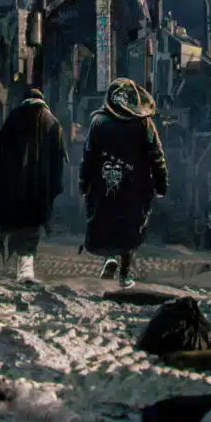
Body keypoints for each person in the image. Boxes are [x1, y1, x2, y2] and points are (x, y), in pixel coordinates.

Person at [0, 87, 67, 282]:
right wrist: (54, 188)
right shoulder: (51, 121)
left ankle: (23, 268)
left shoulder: (13, 119)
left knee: (17, 226)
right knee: (31, 228)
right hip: (37, 188)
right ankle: (25, 270)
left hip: (11, 188)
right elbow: (58, 162)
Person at [79, 77, 168, 289]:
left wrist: (84, 181)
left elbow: (88, 155)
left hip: (104, 185)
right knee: (131, 226)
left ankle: (110, 258)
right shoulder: (144, 123)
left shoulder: (98, 121)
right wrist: (161, 182)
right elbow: (156, 155)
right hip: (135, 187)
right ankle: (125, 274)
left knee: (106, 221)